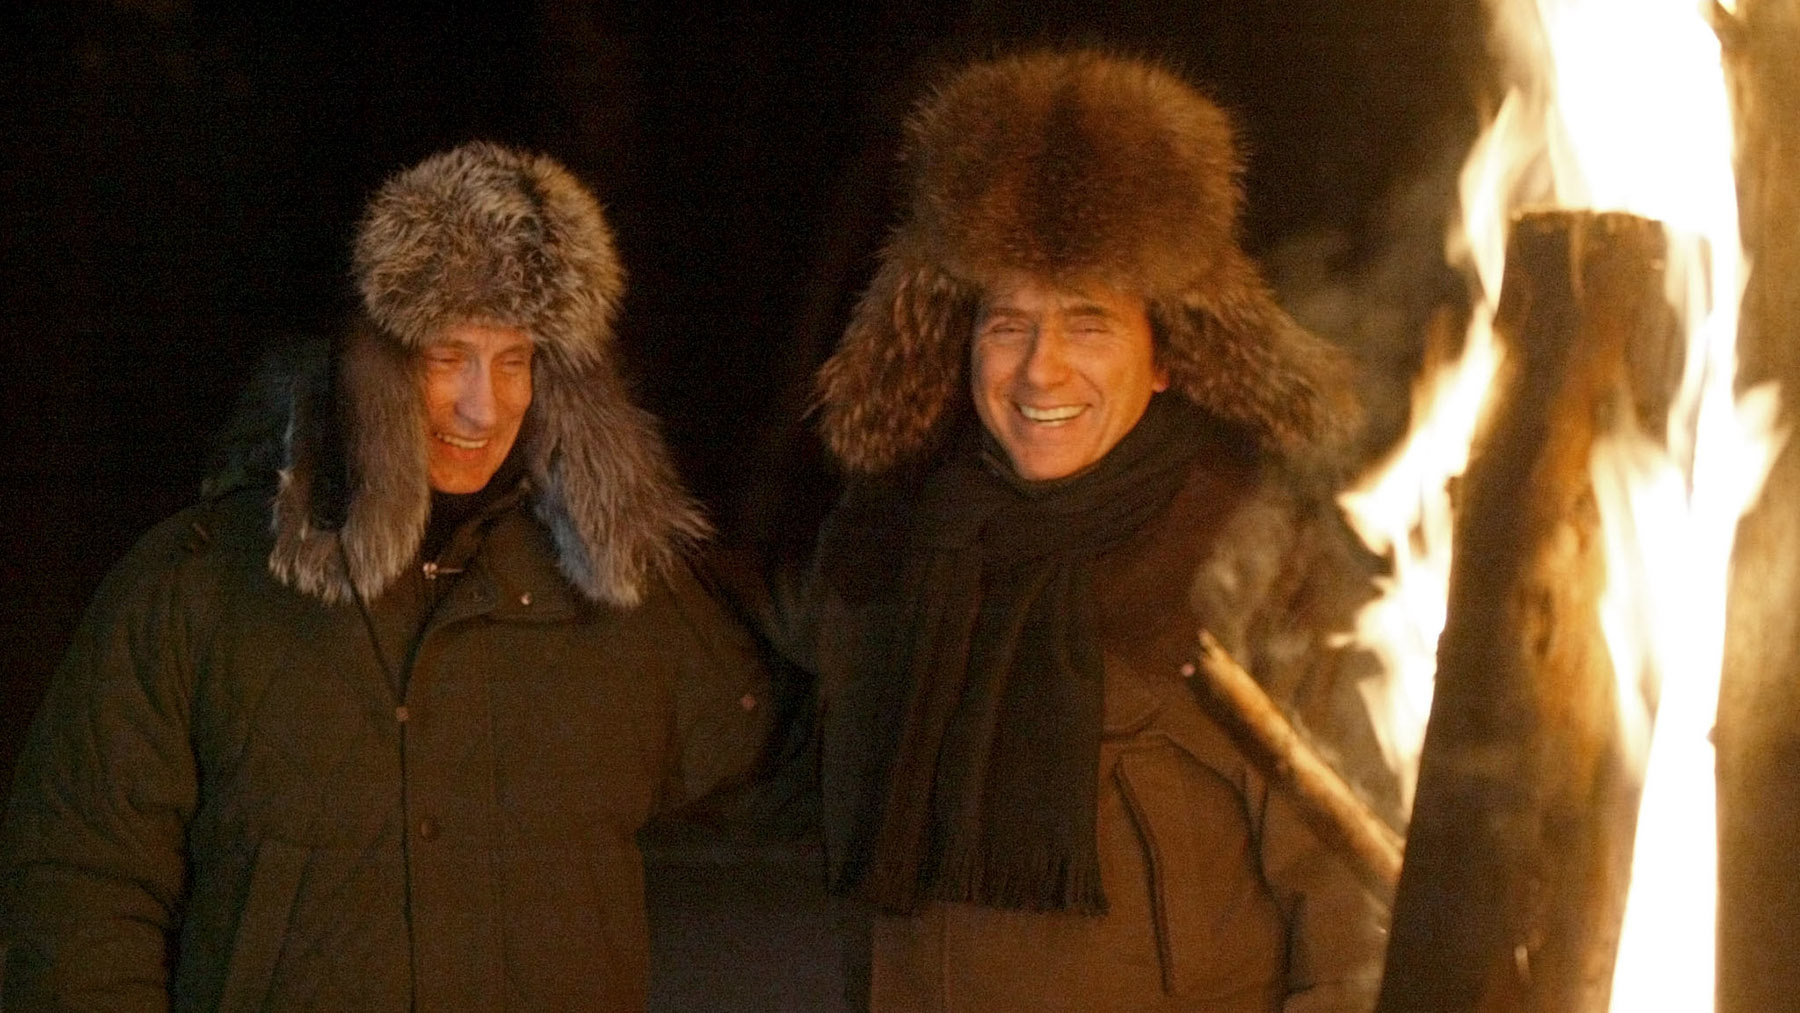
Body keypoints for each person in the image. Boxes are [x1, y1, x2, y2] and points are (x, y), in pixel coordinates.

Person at [0, 142, 773, 1010]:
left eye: (513, 360)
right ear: (373, 361)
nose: (483, 406)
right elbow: (79, 889)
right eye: (449, 356)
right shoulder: (199, 589)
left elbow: (797, 754)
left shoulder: (617, 597)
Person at [786, 51, 1394, 1011]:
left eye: (1088, 322)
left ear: (1166, 354)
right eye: (1007, 324)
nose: (1041, 370)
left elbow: (1356, 910)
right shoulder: (888, 548)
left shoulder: (1254, 563)